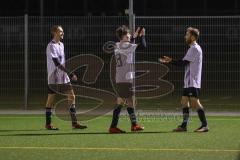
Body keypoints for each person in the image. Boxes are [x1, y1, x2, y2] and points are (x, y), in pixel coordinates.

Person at [159, 27, 209, 132]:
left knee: (195, 103)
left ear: (193, 37)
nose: (185, 36)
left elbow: (183, 63)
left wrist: (170, 61)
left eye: (187, 34)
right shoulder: (192, 48)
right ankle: (184, 125)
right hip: (188, 82)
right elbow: (184, 62)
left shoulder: (195, 48)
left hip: (193, 81)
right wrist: (171, 61)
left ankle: (204, 125)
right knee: (184, 101)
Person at [45, 25, 87, 130]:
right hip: (54, 77)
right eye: (60, 31)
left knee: (72, 96)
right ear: (54, 32)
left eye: (63, 31)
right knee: (51, 99)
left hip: (63, 76)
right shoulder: (51, 46)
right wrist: (71, 73)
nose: (63, 33)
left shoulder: (62, 45)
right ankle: (48, 124)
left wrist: (67, 73)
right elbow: (56, 63)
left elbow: (63, 62)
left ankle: (74, 123)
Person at [109, 25, 146, 133]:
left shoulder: (117, 45)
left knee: (130, 101)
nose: (129, 35)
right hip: (125, 79)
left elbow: (129, 44)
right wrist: (143, 35)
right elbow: (143, 46)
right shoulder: (126, 45)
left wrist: (134, 36)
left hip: (122, 78)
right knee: (121, 102)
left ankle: (134, 125)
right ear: (124, 36)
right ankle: (113, 127)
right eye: (128, 34)